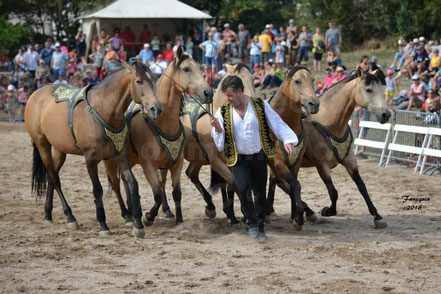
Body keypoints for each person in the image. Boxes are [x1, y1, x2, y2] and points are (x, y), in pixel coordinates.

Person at [210, 76, 298, 242]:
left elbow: (276, 122)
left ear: (240, 92)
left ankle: (260, 226)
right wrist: (218, 129)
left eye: (230, 95)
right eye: (226, 96)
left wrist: (288, 140)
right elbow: (219, 144)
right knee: (243, 190)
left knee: (259, 193)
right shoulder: (222, 111)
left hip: (259, 157)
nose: (227, 99)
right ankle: (251, 224)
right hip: (239, 159)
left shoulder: (259, 105)